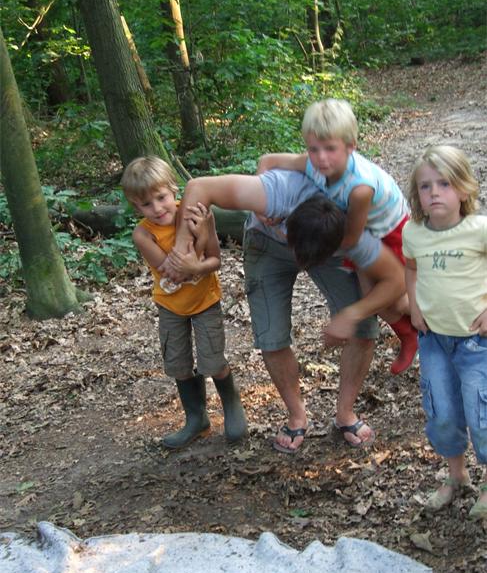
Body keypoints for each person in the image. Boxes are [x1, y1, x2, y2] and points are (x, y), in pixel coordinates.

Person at [163, 167, 406, 453]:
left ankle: (345, 413)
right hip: (267, 242)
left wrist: (353, 314)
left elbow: (396, 281)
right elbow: (199, 186)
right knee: (271, 335)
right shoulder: (276, 193)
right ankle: (296, 415)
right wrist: (183, 252)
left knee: (364, 329)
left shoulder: (357, 227)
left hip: (332, 249)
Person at [257, 98, 417, 375]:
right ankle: (409, 334)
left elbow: (351, 239)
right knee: (372, 300)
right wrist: (262, 206)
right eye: (313, 148)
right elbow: (267, 161)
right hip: (365, 230)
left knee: (395, 300)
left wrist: (304, 240)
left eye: (330, 148)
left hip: (390, 230)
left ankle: (440, 324)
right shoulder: (313, 164)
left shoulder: (359, 188)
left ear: (351, 146)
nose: (321, 158)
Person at [121, 156, 248, 450]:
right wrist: (199, 239)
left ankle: (232, 406)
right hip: (171, 306)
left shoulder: (196, 214)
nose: (157, 208)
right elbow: (175, 272)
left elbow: (214, 261)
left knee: (213, 361)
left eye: (161, 197)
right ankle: (196, 418)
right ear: (136, 207)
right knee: (178, 364)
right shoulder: (143, 234)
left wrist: (204, 231)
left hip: (205, 301)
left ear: (173, 189)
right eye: (146, 204)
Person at [402, 145, 487, 520]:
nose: (434, 192)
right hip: (434, 340)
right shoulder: (414, 232)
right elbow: (411, 268)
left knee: (481, 412)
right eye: (425, 186)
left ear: (464, 188)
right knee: (442, 411)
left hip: (477, 342)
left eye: (445, 184)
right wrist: (414, 305)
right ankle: (456, 475)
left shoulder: (479, 230)